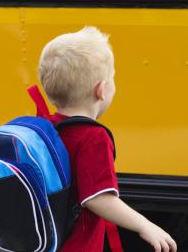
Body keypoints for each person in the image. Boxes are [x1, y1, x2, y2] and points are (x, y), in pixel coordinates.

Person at [38, 26, 177, 252]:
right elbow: (98, 198)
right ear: (101, 90)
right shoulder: (93, 137)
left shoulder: (46, 128)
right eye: (113, 78)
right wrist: (146, 226)